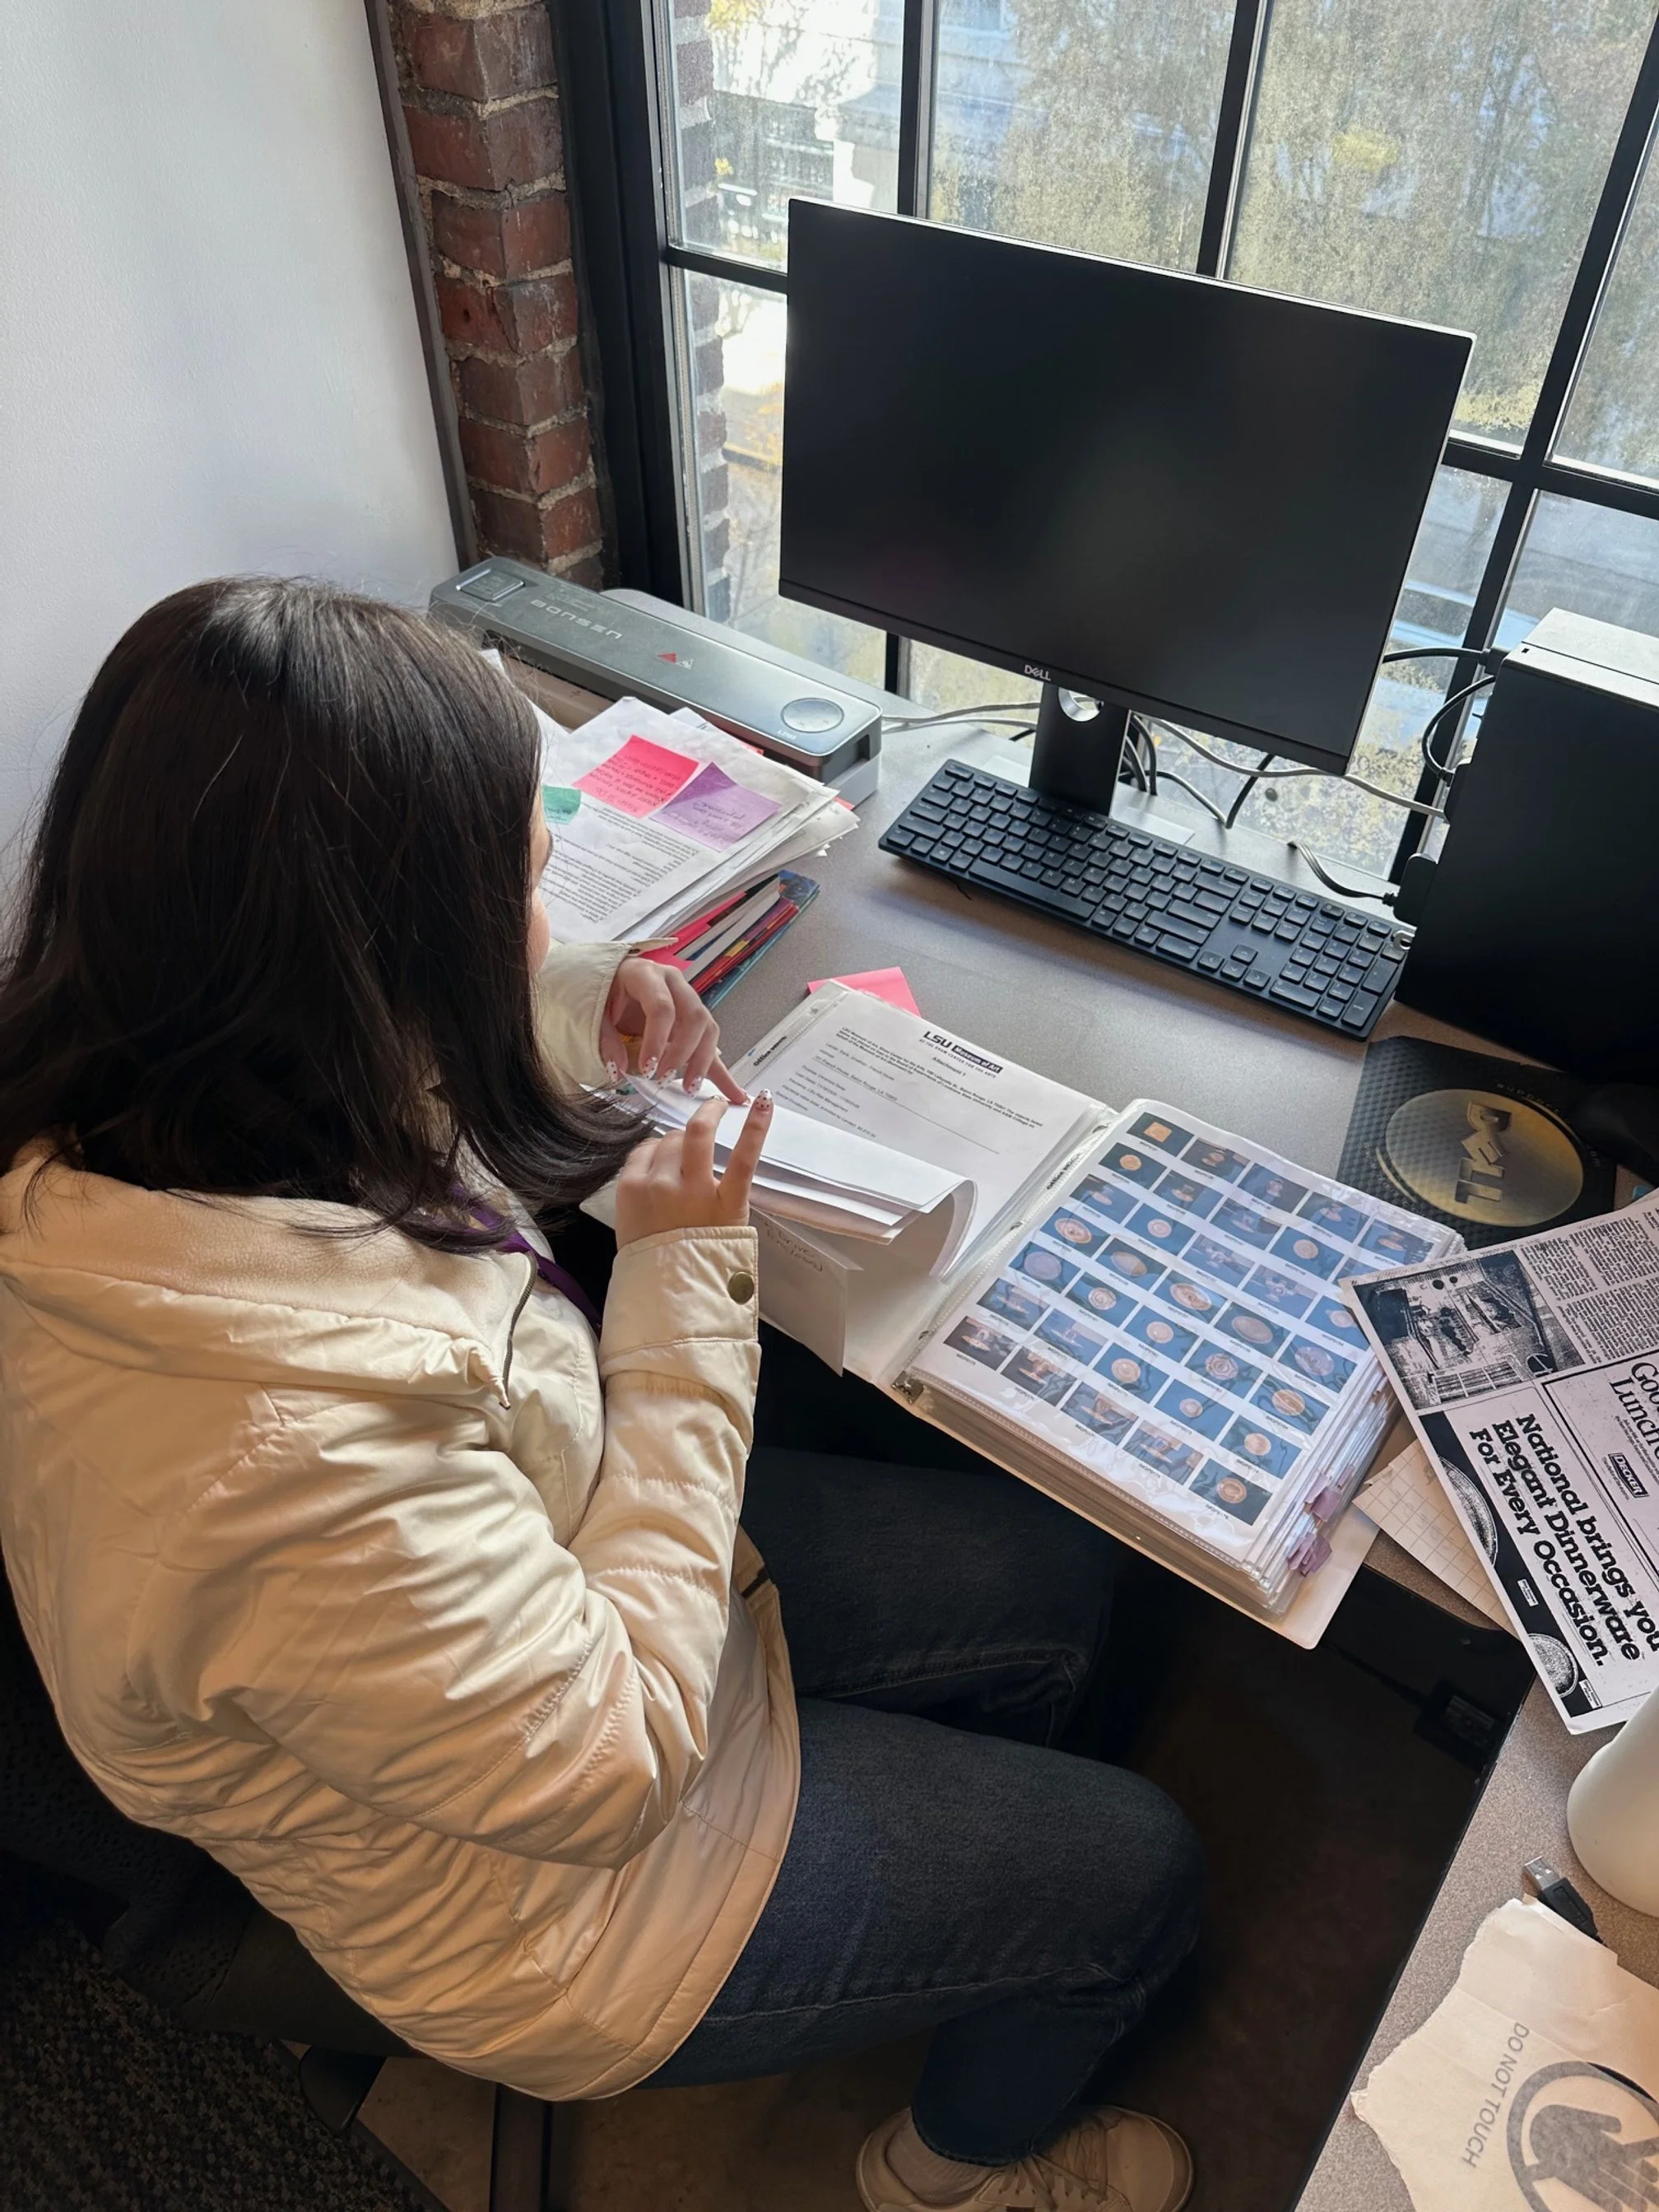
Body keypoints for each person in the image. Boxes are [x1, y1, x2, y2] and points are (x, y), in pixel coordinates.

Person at [0, 580, 1202, 2212]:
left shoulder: (139, 1102)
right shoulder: (267, 1470)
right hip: (559, 1892)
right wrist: (688, 1280)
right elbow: (621, 1757)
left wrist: (579, 994)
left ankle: (927, 1920)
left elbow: (425, 1092)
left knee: (1060, 1587)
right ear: (382, 960)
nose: (547, 925)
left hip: (555, 1565)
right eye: (530, 893)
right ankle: (952, 2172)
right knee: (1140, 1874)